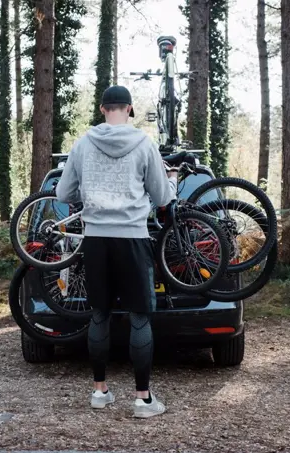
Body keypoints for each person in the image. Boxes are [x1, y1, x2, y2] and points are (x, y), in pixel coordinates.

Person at [55, 85, 178, 418]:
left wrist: (92, 189)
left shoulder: (82, 144)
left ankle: (100, 392)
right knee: (139, 317)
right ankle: (143, 400)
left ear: (102, 109)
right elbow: (162, 196)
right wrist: (166, 185)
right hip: (133, 239)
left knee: (99, 314)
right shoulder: (144, 144)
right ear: (130, 109)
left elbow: (64, 192)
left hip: (95, 240)